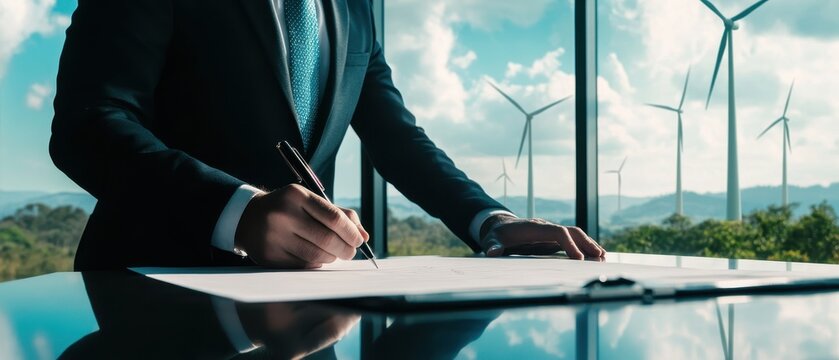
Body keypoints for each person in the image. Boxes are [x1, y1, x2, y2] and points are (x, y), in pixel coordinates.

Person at [50, 0, 604, 271]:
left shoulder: (354, 8)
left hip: (303, 307)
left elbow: (397, 137)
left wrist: (491, 221)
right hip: (146, 297)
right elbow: (89, 122)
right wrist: (236, 210)